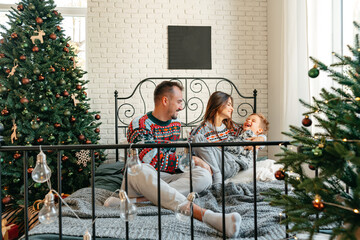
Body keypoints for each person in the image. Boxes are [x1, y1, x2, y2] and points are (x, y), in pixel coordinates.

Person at [105, 81, 242, 238]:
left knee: (204, 175)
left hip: (164, 177)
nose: (181, 106)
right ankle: (206, 215)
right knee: (141, 168)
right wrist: (193, 160)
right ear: (165, 101)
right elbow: (151, 159)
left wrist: (195, 164)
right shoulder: (139, 124)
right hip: (140, 177)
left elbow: (173, 161)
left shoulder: (176, 124)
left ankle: (140, 201)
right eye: (179, 101)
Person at [189, 91, 268, 185]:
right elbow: (189, 156)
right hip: (210, 166)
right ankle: (216, 174)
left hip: (228, 164)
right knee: (198, 139)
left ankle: (217, 176)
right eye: (229, 105)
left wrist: (261, 139)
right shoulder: (200, 130)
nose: (232, 108)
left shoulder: (232, 127)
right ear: (219, 105)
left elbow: (252, 134)